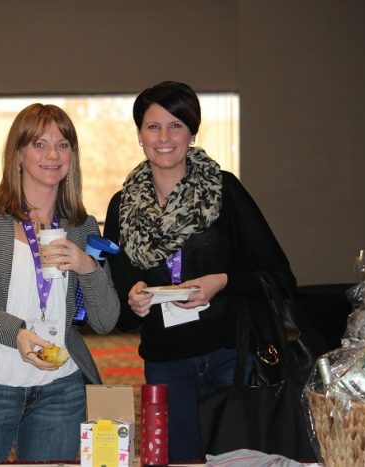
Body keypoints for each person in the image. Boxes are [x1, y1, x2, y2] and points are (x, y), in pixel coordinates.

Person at [103, 81, 296, 462]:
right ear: (140, 134)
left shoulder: (223, 190)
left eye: (176, 126)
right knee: (179, 461)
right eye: (153, 126)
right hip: (165, 362)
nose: (164, 138)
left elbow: (280, 278)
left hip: (230, 356)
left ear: (192, 132)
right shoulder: (122, 206)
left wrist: (222, 281)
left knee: (236, 459)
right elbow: (120, 308)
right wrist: (134, 298)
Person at [0, 103, 120, 462]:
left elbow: (106, 321)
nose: (53, 155)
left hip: (60, 390)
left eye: (63, 145)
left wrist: (87, 267)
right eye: (39, 144)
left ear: (73, 156)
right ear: (18, 154)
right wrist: (14, 332)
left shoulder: (82, 227)